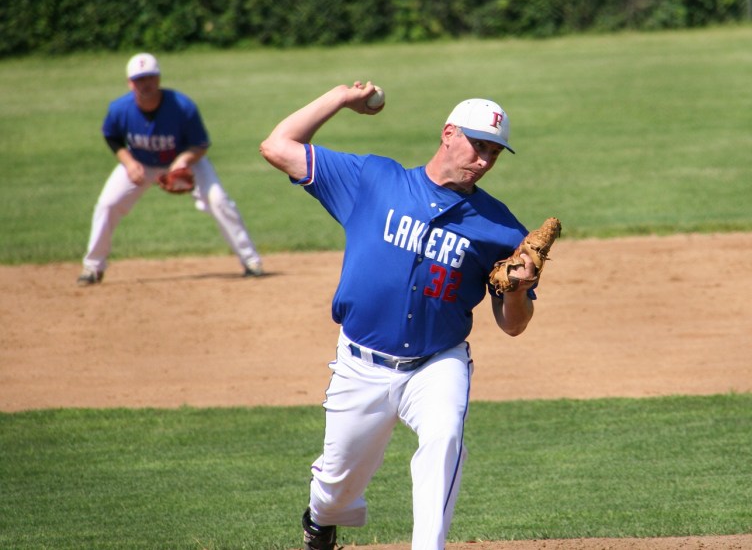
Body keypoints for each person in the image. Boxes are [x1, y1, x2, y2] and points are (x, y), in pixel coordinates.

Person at [259, 81, 539, 550]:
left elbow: (514, 324)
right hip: (360, 365)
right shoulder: (372, 181)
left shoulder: (502, 228)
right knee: (335, 491)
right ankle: (321, 520)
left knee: (446, 437)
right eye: (478, 145)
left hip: (437, 362)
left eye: (494, 152)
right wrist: (339, 99)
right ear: (449, 133)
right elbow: (277, 146)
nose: (485, 160)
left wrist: (519, 289)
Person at [77, 53, 263, 285]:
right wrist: (129, 163)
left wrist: (183, 159)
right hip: (141, 163)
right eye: (139, 79)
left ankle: (251, 261)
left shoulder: (182, 106)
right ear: (129, 83)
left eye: (150, 78)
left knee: (218, 200)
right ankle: (92, 267)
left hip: (184, 162)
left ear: (159, 79)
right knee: (107, 204)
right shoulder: (119, 109)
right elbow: (112, 138)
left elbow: (201, 144)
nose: (145, 84)